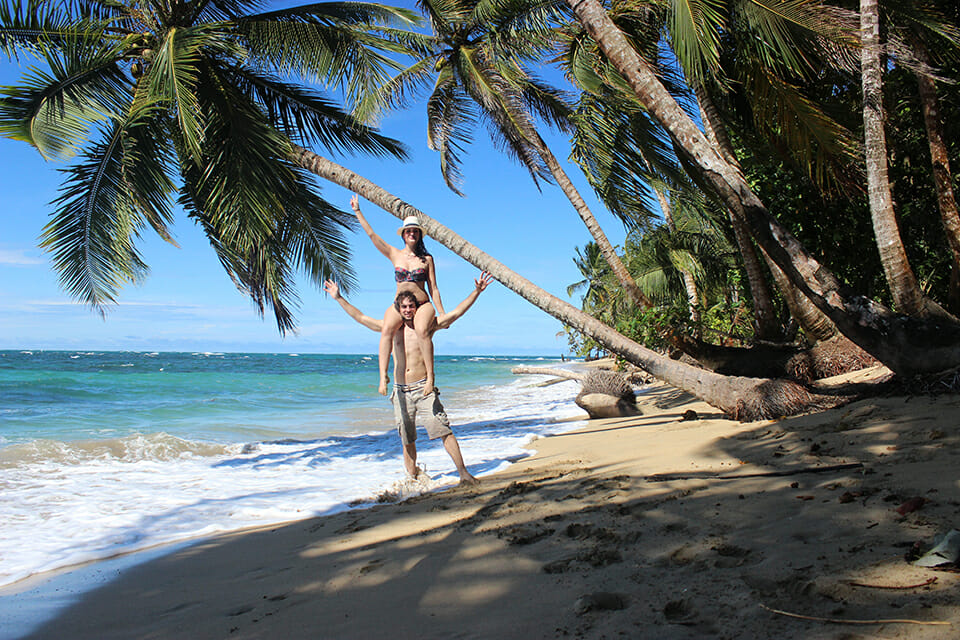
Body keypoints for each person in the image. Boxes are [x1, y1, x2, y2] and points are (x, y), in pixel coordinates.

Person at [323, 273, 493, 485]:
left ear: (416, 308)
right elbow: (361, 318)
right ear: (398, 308)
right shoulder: (392, 329)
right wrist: (339, 298)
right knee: (407, 439)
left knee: (443, 431)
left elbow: (456, 313)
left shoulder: (426, 327)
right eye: (403, 307)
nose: (407, 310)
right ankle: (412, 480)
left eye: (411, 307)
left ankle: (463, 473)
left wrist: (476, 291)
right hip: (401, 391)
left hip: (424, 389)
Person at [351, 194, 443, 398]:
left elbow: (434, 287)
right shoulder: (395, 254)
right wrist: (358, 211)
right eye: (408, 231)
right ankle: (383, 376)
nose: (411, 234)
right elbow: (372, 236)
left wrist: (442, 313)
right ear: (403, 235)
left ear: (419, 235)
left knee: (422, 331)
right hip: (400, 304)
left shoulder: (427, 259)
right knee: (386, 330)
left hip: (421, 303)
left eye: (415, 231)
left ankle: (430, 377)